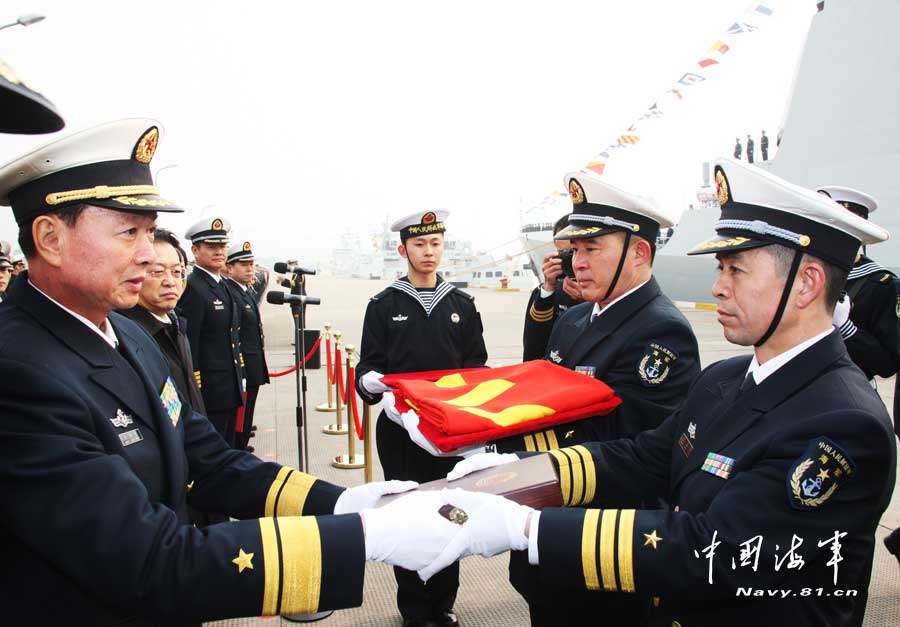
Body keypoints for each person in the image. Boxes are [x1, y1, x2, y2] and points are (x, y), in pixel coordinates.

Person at [0, 118, 473, 625]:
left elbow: (210, 461)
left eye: (148, 231)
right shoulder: (18, 371)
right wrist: (366, 536)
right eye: (128, 232)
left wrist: (347, 502)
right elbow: (150, 560)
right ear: (50, 238)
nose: (148, 251)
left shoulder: (128, 332)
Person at [443, 157, 897, 627]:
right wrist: (515, 471)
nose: (718, 288)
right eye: (721, 267)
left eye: (736, 270)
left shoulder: (844, 423)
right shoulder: (725, 378)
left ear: (806, 283)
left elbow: (711, 549)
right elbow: (645, 457)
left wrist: (526, 528)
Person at [493, 173, 701, 626]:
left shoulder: (661, 332)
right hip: (550, 526)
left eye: (592, 250)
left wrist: (496, 450)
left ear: (640, 252)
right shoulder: (574, 320)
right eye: (575, 251)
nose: (577, 263)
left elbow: (626, 441)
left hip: (602, 542)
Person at [355, 210, 488, 627]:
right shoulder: (383, 306)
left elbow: (477, 370)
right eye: (419, 244)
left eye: (434, 244)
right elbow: (365, 371)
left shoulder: (461, 305)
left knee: (452, 512)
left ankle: (443, 604)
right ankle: (413, 608)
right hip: (400, 431)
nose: (428, 252)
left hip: (450, 433)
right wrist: (371, 382)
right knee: (409, 516)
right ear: (403, 249)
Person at [818, 185, 900, 563]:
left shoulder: (881, 285)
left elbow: (888, 360)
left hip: (849, 400)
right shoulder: (812, 273)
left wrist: (846, 327)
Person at [119, 228, 206, 415]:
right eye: (158, 272)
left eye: (176, 272)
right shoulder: (128, 338)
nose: (170, 281)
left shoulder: (174, 324)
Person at [178, 216, 244, 447]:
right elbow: (189, 343)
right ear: (195, 250)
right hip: (211, 389)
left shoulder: (222, 285)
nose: (219, 251)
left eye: (222, 246)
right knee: (214, 447)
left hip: (228, 386)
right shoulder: (194, 288)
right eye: (211, 246)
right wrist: (196, 388)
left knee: (227, 444)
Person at [225, 240, 270, 452]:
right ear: (229, 267)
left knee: (248, 411)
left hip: (252, 364)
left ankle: (242, 444)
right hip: (243, 365)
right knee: (240, 416)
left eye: (251, 264)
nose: (250, 269)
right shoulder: (231, 294)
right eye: (243, 265)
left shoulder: (244, 291)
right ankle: (239, 448)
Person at [522, 214, 583, 361]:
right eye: (562, 253)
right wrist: (548, 287)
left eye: (572, 251)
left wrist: (588, 300)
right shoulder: (550, 290)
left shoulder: (604, 295)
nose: (570, 260)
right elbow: (533, 345)